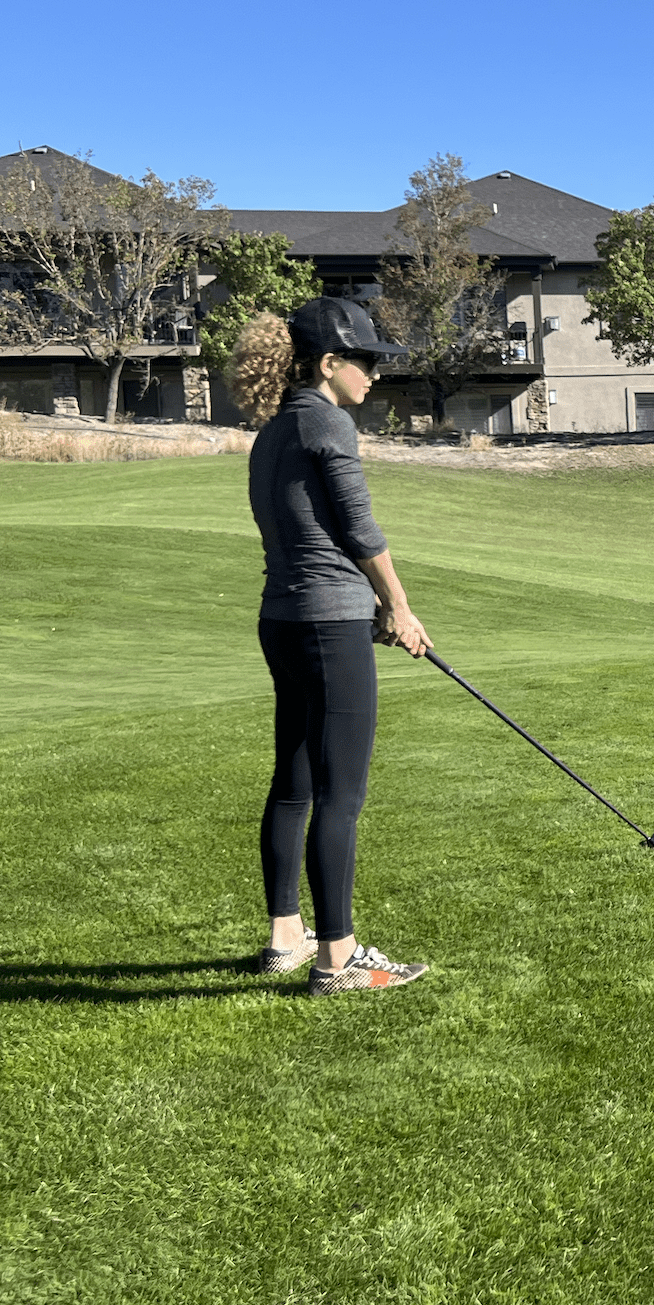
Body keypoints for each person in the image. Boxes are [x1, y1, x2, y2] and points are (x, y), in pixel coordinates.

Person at [236, 297, 434, 996]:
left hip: (282, 620)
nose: (375, 375)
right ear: (330, 363)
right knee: (340, 795)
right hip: (328, 625)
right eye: (367, 361)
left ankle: (285, 938)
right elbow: (358, 526)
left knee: (293, 784)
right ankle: (338, 959)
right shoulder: (328, 423)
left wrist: (375, 602)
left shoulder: (274, 429)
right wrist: (399, 606)